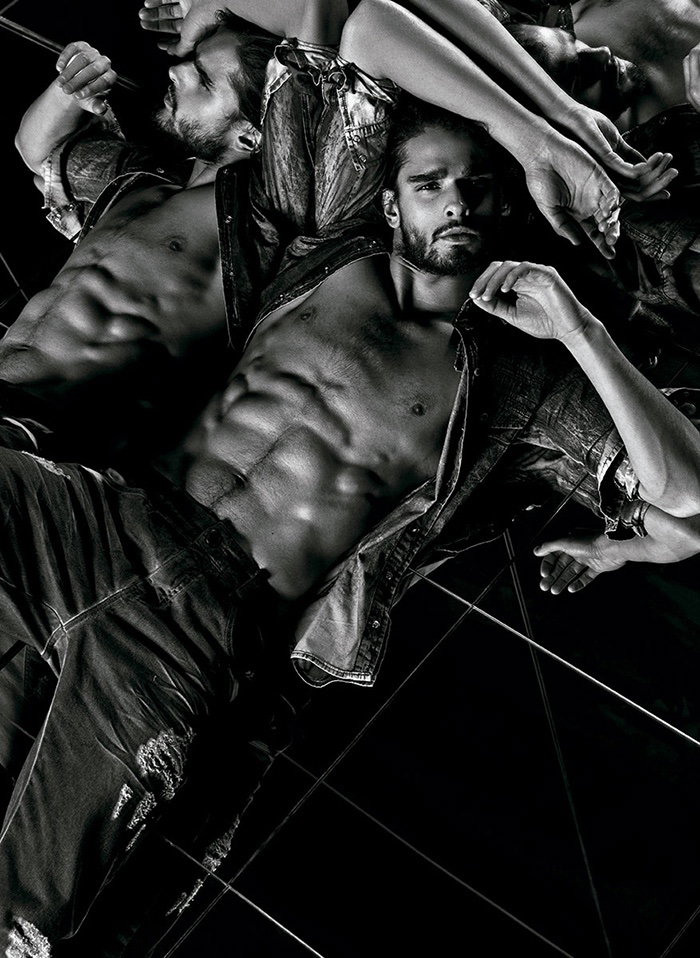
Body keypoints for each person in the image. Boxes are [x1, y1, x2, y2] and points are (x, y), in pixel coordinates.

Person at [3, 1, 700, 949]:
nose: (457, 204)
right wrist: (533, 126)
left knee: (29, 915)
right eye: (431, 184)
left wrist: (581, 329)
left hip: (202, 632)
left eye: (478, 191)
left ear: (511, 210)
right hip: (103, 520)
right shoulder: (325, 237)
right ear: (389, 199)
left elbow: (688, 499)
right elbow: (353, 18)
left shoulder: (520, 380)